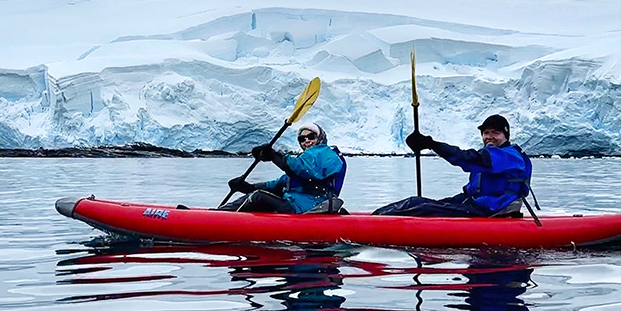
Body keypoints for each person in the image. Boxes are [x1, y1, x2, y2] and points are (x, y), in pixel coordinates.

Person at [373, 114, 532, 217]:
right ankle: (374, 217)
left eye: (495, 133)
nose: (489, 137)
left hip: (494, 208)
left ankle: (371, 226)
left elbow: (465, 158)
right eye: (486, 133)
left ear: (505, 135)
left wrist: (432, 144)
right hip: (478, 203)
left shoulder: (509, 156)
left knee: (424, 209)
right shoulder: (495, 155)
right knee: (416, 202)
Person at [219, 122, 347, 213]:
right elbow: (280, 183)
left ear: (320, 137)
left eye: (311, 136)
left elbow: (303, 169)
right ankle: (220, 213)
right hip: (295, 204)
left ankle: (220, 217)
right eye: (302, 139)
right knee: (258, 193)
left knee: (258, 197)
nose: (306, 141)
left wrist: (275, 156)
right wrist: (248, 187)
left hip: (309, 207)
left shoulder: (326, 154)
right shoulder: (307, 158)